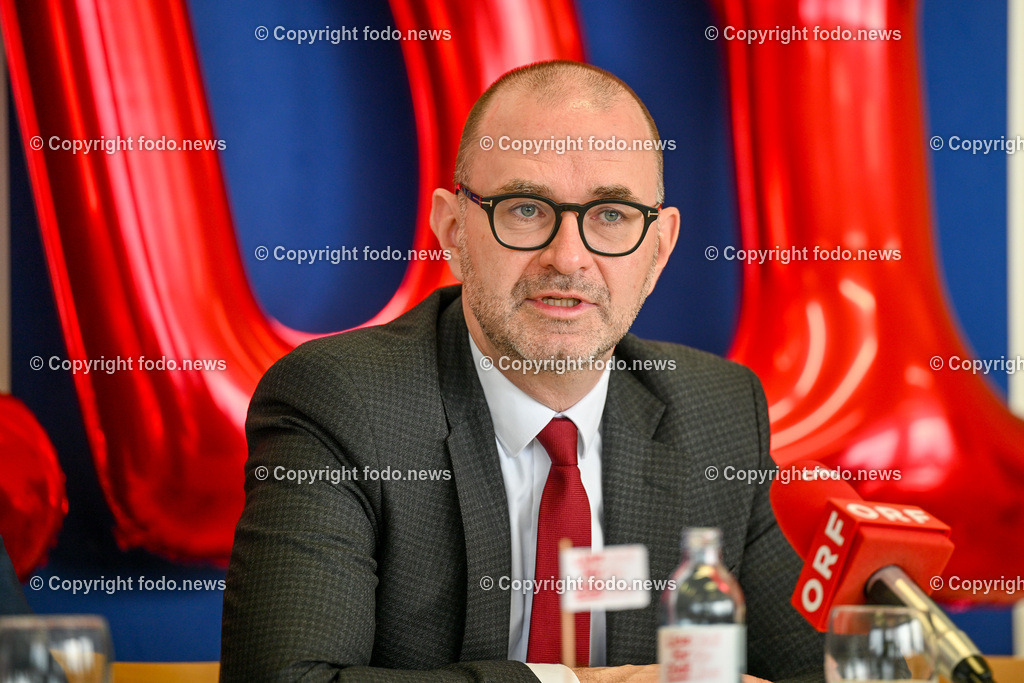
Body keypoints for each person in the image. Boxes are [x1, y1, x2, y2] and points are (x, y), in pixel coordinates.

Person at [221, 60, 824, 682]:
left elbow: (819, 671)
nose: (568, 258)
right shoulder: (342, 401)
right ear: (453, 230)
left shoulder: (717, 412)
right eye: (526, 209)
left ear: (660, 248)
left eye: (612, 215)